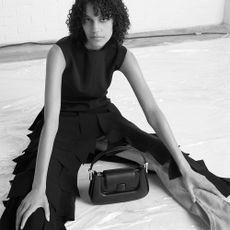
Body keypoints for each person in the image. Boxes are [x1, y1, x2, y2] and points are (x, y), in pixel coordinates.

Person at [0, 0, 230, 229]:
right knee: (35, 210)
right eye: (88, 20)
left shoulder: (122, 55)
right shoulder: (59, 52)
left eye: (103, 19)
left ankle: (221, 216)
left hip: (105, 118)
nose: (95, 28)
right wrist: (38, 188)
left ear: (116, 21)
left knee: (169, 157)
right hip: (64, 121)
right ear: (79, 22)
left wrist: (186, 169)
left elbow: (152, 110)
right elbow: (51, 120)